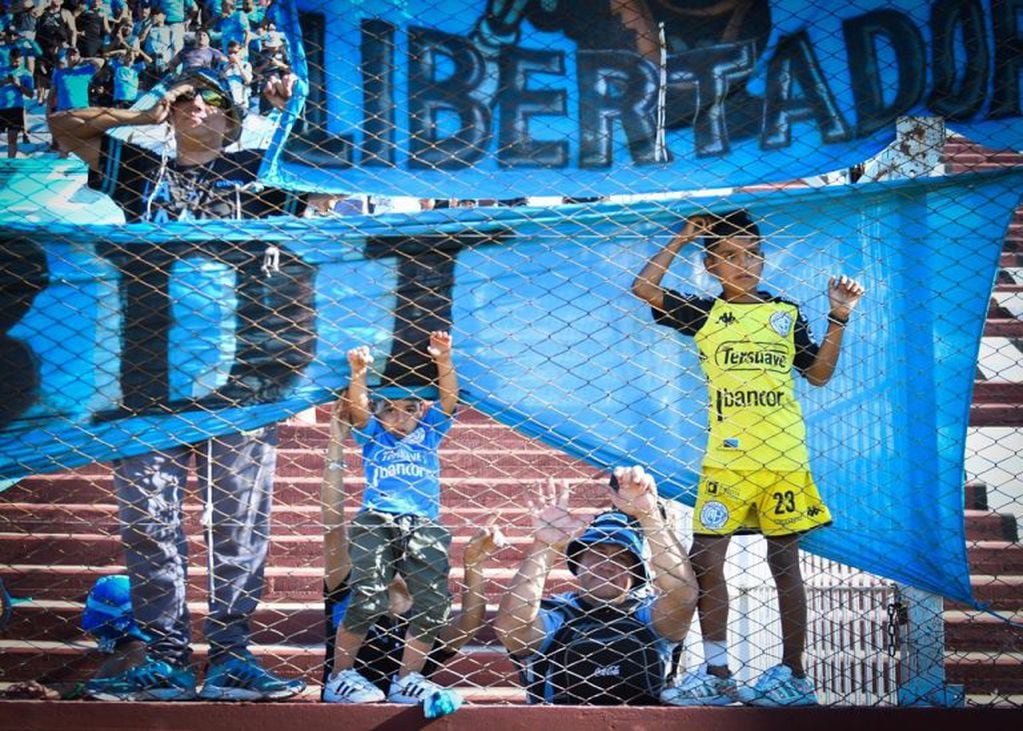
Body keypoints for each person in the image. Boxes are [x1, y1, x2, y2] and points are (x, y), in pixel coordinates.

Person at [48, 67, 337, 702]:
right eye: (188, 100)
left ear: (231, 118)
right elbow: (62, 126)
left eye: (211, 101)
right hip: (144, 372)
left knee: (238, 521)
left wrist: (294, 106)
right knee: (149, 521)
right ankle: (168, 659)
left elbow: (331, 155)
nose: (196, 108)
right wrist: (142, 112)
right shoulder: (141, 172)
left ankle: (233, 656)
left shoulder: (262, 174)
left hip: (243, 375)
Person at [630, 210, 866, 706]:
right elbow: (645, 287)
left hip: (783, 459)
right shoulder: (704, 313)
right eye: (729, 257)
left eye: (752, 255)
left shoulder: (784, 313)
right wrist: (686, 234)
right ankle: (718, 673)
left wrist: (838, 316)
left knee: (784, 563)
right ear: (711, 267)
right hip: (726, 463)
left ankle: (793, 675)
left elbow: (818, 375)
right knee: (706, 558)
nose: (744, 264)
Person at [320, 396, 506, 718]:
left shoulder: (423, 621)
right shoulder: (349, 585)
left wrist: (473, 562)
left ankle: (406, 681)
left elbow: (469, 626)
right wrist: (336, 444)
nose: (399, 551)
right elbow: (333, 525)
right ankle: (341, 678)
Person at [324, 332, 463, 706]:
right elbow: (357, 408)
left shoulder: (429, 435)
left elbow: (448, 399)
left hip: (424, 524)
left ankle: (408, 679)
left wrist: (443, 359)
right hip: (378, 519)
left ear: (421, 411)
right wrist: (359, 374)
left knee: (434, 602)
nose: (400, 417)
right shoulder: (373, 439)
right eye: (389, 409)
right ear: (378, 413)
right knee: (367, 597)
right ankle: (340, 676)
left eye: (409, 408)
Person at [494, 467, 698, 705]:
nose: (608, 565)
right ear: (578, 564)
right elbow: (512, 627)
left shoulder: (647, 613)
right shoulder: (556, 613)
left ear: (636, 574)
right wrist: (545, 546)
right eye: (598, 553)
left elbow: (683, 594)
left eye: (622, 558)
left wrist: (649, 515)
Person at [0, 47, 32, 157]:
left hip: (15, 108)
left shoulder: (26, 74)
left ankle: (11, 160)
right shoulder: (2, 70)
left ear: (22, 60)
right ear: (9, 58)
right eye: (13, 60)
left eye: (18, 61)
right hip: (1, 106)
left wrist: (18, 85)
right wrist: (5, 81)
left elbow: (30, 94)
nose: (15, 63)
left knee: (12, 138)